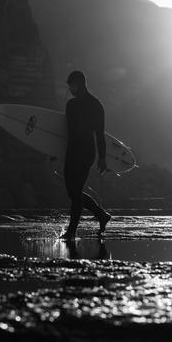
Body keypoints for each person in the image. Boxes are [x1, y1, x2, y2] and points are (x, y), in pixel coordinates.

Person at [60, 70, 111, 239]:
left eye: (72, 86)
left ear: (80, 83)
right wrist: (53, 151)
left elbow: (100, 134)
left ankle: (71, 232)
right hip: (71, 151)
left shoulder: (96, 106)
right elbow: (64, 133)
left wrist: (102, 158)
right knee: (72, 192)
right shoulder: (71, 105)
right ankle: (101, 215)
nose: (70, 90)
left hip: (86, 152)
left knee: (75, 192)